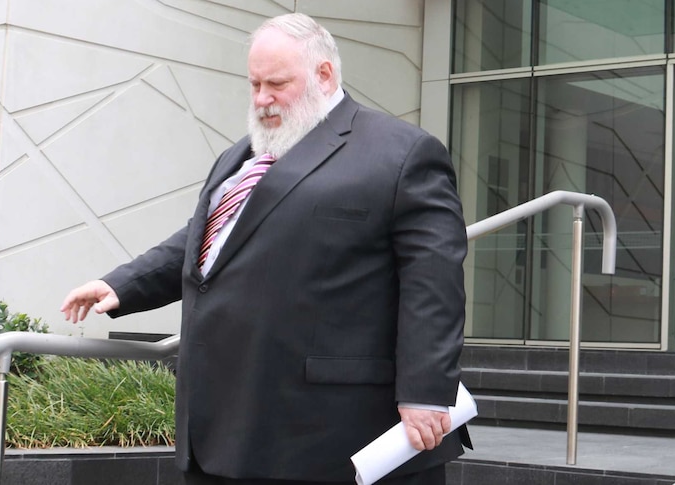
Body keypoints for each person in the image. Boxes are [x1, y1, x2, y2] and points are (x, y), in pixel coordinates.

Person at [61, 12, 470, 485]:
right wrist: (122, 285)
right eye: (254, 84)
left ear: (324, 74)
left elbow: (434, 284)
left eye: (276, 83)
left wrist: (425, 392)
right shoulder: (242, 155)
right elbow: (206, 238)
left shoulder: (403, 153)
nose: (261, 99)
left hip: (332, 435)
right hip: (223, 429)